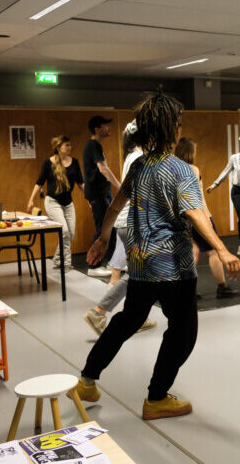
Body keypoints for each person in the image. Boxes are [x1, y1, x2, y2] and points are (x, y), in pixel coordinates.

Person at [74, 91, 240, 421]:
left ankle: (87, 381)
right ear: (171, 128)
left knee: (127, 320)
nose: (180, 128)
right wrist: (223, 250)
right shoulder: (181, 169)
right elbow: (195, 213)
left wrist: (102, 237)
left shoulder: (138, 166)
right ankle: (157, 397)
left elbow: (114, 206)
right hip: (173, 268)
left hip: (140, 265)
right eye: (178, 123)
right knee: (183, 331)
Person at [83, 122, 156, 335]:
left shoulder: (133, 155)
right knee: (139, 273)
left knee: (140, 273)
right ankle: (99, 312)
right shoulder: (139, 159)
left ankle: (136, 315)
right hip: (133, 223)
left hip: (128, 222)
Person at [176, 137, 239, 300]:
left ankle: (186, 290)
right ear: (190, 152)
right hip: (200, 216)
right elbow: (195, 198)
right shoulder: (192, 169)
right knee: (214, 251)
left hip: (183, 217)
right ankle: (222, 287)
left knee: (194, 251)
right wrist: (204, 219)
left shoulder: (173, 170)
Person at [27, 135, 84, 271]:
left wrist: (89, 198)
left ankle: (57, 259)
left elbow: (81, 183)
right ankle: (66, 263)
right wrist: (31, 199)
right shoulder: (48, 163)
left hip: (68, 203)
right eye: (67, 145)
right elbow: (40, 182)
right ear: (58, 147)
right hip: (53, 202)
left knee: (70, 233)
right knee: (64, 231)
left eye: (70, 145)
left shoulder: (74, 162)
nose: (70, 147)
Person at [83, 115, 121, 277]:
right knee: (102, 229)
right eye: (105, 126)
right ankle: (94, 266)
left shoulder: (95, 146)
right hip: (99, 195)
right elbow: (103, 169)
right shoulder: (93, 146)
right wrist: (120, 186)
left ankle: (111, 263)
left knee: (110, 229)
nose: (108, 128)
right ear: (97, 129)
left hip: (103, 194)